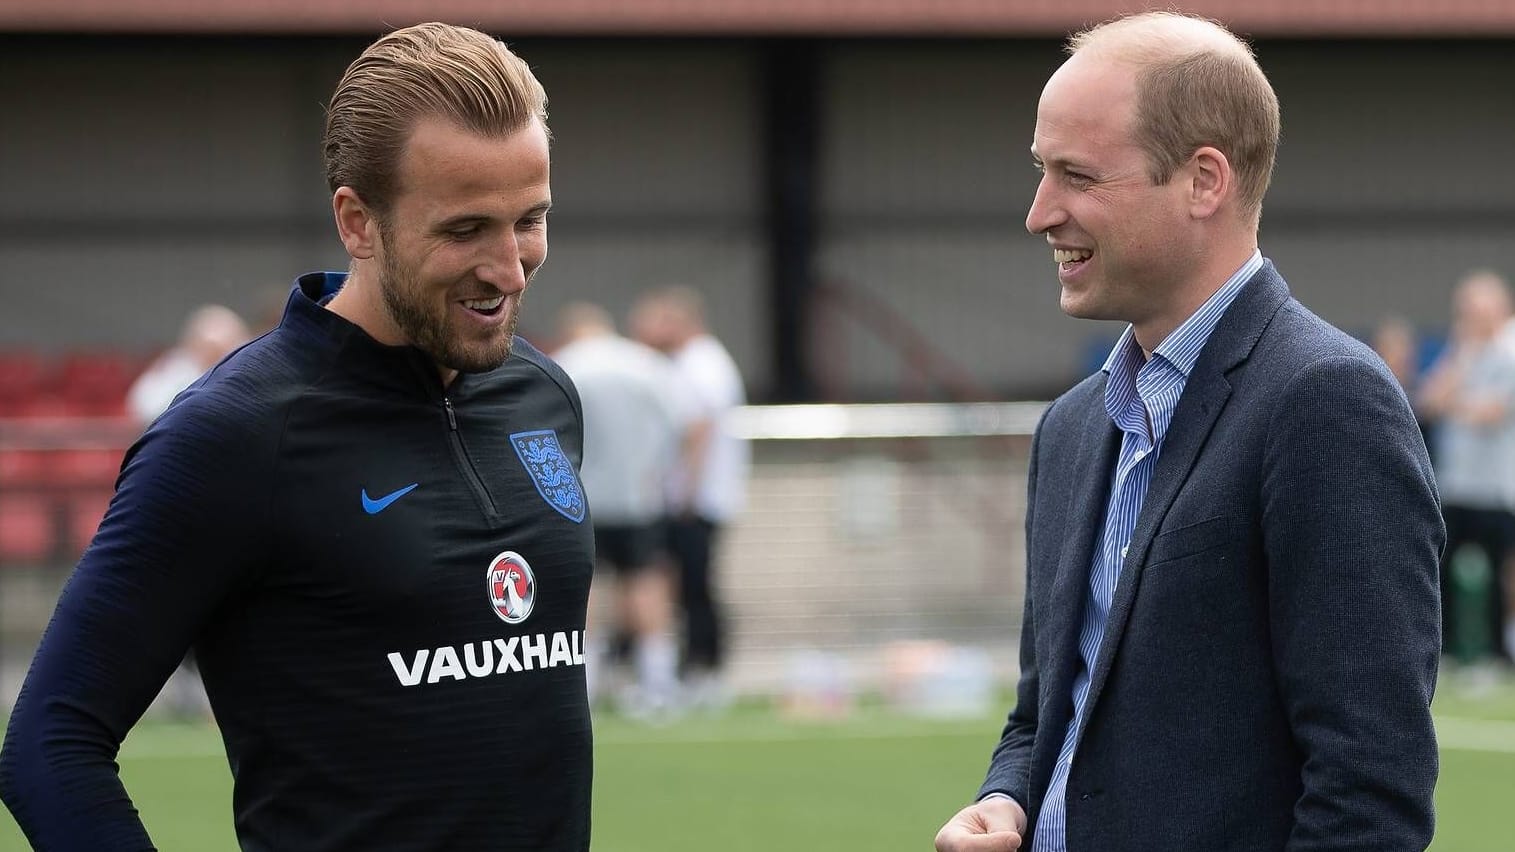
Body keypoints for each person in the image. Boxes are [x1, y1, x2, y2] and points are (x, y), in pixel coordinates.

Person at [0, 22, 595, 852]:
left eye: (529, 219)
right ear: (357, 222)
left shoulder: (544, 396)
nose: (509, 265)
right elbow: (49, 743)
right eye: (464, 231)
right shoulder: (234, 436)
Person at [935, 12, 1442, 852]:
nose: (1038, 213)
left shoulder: (1324, 403)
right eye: (1040, 172)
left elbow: (1367, 790)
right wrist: (1007, 803)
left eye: (1077, 176)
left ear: (1204, 181)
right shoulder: (1069, 429)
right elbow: (1041, 718)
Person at [552, 301, 693, 716]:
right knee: (645, 583)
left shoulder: (565, 365)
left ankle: (585, 687)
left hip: (582, 499)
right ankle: (658, 685)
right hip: (638, 496)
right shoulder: (646, 366)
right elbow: (681, 425)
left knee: (587, 590)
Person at [629, 286, 750, 708]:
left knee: (696, 585)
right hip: (695, 496)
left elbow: (699, 430)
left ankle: (707, 669)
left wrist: (686, 492)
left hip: (697, 500)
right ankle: (693, 666)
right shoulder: (690, 362)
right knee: (684, 584)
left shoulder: (702, 364)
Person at [1417, 270, 1515, 664]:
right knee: (1438, 567)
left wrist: (1455, 406)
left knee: (1499, 571)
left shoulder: (1509, 352)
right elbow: (1428, 401)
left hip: (1498, 487)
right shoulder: (1461, 352)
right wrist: (1460, 357)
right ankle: (1448, 648)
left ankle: (1496, 652)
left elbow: (1491, 413)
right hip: (1456, 485)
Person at [126, 303, 251, 425]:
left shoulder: (247, 371)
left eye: (220, 349)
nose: (211, 355)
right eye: (207, 347)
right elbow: (146, 408)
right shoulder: (175, 368)